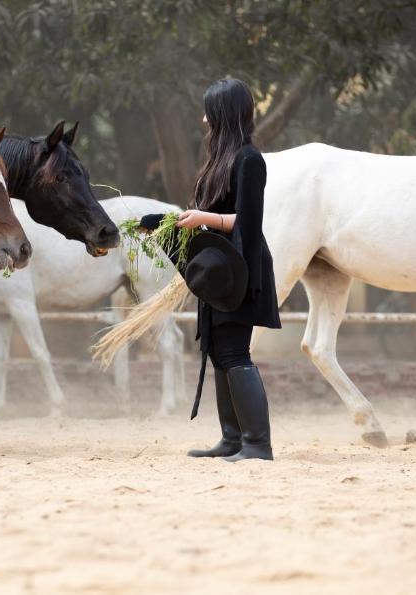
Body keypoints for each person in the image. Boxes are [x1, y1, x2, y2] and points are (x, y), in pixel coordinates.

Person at [141, 78, 281, 462]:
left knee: (235, 353)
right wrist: (166, 222)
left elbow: (249, 223)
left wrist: (204, 217)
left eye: (209, 111)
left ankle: (257, 445)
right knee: (219, 351)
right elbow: (208, 219)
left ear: (224, 115)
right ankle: (232, 439)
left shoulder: (249, 160)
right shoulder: (219, 161)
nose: (204, 119)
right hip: (220, 267)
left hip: (241, 266)